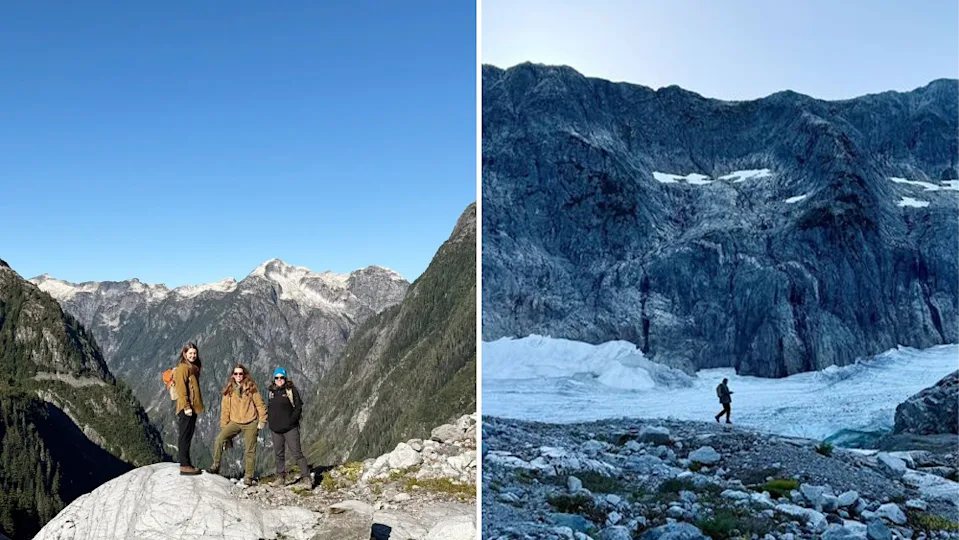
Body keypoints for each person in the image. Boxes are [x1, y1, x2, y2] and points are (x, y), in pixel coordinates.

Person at [208, 364, 267, 486]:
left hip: (251, 422)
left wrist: (262, 420)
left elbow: (260, 404)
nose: (238, 376)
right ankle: (216, 465)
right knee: (219, 439)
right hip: (235, 422)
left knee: (250, 451)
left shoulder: (251, 388)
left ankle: (248, 477)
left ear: (244, 375)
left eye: (241, 373)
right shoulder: (228, 390)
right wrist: (225, 428)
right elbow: (225, 410)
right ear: (232, 375)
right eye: (236, 374)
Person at [267, 367, 311, 488]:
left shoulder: (291, 391)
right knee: (278, 454)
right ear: (274, 379)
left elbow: (298, 407)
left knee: (297, 453)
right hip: (276, 429)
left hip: (290, 429)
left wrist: (291, 421)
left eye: (282, 377)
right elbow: (269, 408)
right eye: (277, 377)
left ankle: (306, 478)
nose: (279, 380)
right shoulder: (271, 392)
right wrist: (270, 422)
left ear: (285, 378)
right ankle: (280, 478)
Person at [174, 342, 204, 475]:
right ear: (185, 354)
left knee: (188, 435)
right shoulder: (183, 368)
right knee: (184, 436)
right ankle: (184, 465)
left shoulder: (193, 367)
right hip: (186, 408)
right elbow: (181, 389)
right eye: (190, 353)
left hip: (192, 407)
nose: (193, 355)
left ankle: (186, 463)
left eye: (194, 353)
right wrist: (186, 407)